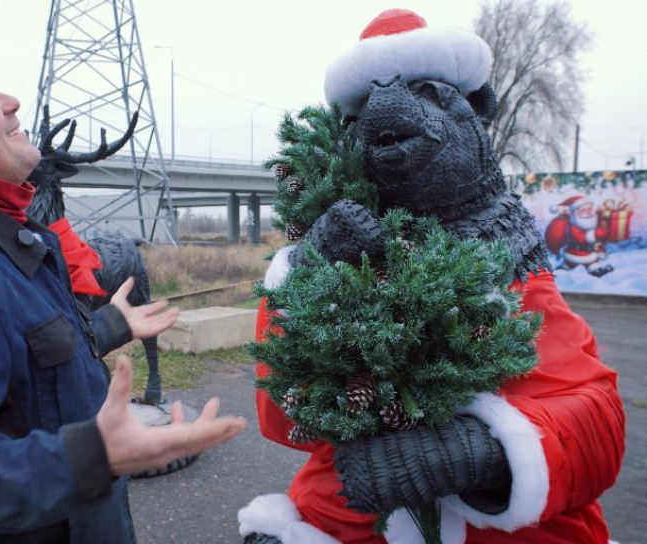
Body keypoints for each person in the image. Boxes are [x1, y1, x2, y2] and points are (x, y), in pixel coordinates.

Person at [238, 9, 625, 544]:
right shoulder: (322, 253)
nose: (386, 111)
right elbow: (285, 418)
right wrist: (310, 274)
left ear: (475, 111)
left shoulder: (506, 264)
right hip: (350, 520)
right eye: (361, 112)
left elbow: (595, 421)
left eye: (426, 91)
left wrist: (480, 454)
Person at [0, 43, 245, 543]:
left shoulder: (3, 240)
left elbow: (22, 365)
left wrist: (109, 326)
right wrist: (94, 455)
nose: (10, 101)